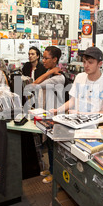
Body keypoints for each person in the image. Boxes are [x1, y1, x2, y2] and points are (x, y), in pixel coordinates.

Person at [29, 46, 66, 184]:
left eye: (46, 58)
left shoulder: (58, 77)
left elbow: (34, 85)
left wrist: (49, 72)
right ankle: (51, 169)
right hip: (47, 115)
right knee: (49, 145)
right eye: (43, 57)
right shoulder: (50, 73)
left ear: (55, 59)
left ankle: (53, 172)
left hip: (55, 117)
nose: (43, 60)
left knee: (53, 147)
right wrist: (49, 71)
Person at [51, 46, 103, 115]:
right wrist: (58, 110)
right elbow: (72, 101)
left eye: (90, 62)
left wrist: (80, 113)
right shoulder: (79, 77)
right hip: (77, 122)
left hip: (96, 124)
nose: (86, 65)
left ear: (100, 64)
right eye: (84, 62)